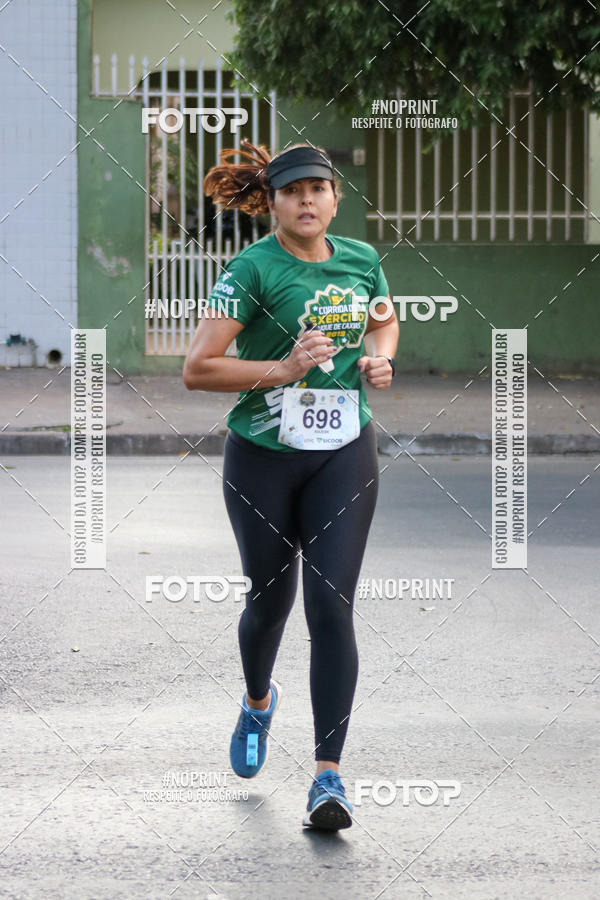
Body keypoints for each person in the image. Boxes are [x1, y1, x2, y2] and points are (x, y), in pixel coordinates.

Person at [183, 140, 399, 831]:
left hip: (343, 450)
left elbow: (385, 319)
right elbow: (199, 368)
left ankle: (327, 778)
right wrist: (280, 369)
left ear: (336, 198)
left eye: (319, 188)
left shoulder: (362, 261)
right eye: (292, 190)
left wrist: (378, 360)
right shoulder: (251, 269)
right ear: (270, 203)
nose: (307, 200)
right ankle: (255, 701)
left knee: (331, 607)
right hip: (263, 456)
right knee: (268, 605)